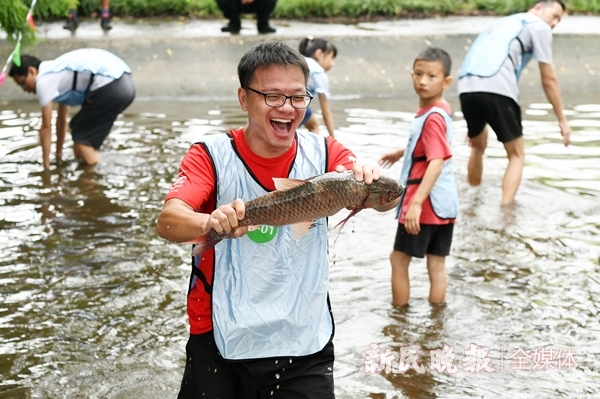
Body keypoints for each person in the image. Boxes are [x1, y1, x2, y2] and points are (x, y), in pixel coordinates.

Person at [156, 41, 396, 398]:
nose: (287, 108)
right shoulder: (209, 155)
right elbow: (168, 221)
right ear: (243, 98)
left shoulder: (327, 151)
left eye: (298, 97)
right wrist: (210, 222)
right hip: (218, 333)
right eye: (272, 96)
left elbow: (383, 200)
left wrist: (368, 180)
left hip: (303, 336)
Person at [458, 0, 571, 204]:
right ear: (538, 8)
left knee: (477, 146)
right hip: (497, 87)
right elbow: (549, 79)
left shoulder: (502, 23)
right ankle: (506, 212)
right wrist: (562, 119)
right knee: (517, 154)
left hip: (466, 87)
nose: (554, 23)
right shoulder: (539, 26)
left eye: (559, 20)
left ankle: (471, 203)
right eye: (554, 15)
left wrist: (476, 109)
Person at [379, 47, 458, 307]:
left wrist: (415, 204)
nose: (423, 81)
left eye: (432, 76)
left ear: (446, 81)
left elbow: (436, 161)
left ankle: (399, 317)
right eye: (419, 74)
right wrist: (403, 152)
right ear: (412, 74)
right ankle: (437, 320)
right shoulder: (441, 110)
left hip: (424, 204)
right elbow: (433, 146)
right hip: (444, 204)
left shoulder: (432, 117)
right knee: (437, 264)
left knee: (398, 259)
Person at [9, 48, 135, 169]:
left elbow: (46, 128)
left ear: (32, 71)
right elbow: (61, 120)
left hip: (111, 84)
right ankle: (83, 167)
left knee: (82, 138)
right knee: (77, 126)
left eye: (23, 83)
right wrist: (59, 156)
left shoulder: (43, 80)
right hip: (124, 82)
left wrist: (46, 166)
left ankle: (94, 178)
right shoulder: (55, 70)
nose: (24, 89)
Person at [298, 36, 338, 138]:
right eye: (331, 58)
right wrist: (333, 139)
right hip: (295, 103)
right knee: (314, 125)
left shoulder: (298, 61)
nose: (332, 64)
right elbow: (326, 113)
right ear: (319, 54)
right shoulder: (319, 72)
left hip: (280, 99)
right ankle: (312, 151)